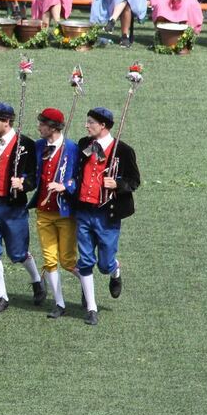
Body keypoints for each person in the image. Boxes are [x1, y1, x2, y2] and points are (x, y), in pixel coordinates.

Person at [73, 106, 139, 325]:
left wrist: (118, 184)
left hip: (106, 215)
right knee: (85, 260)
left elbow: (134, 181)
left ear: (103, 125)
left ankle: (114, 270)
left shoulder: (124, 150)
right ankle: (91, 308)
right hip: (84, 211)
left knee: (104, 264)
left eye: (91, 122)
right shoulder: (84, 144)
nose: (86, 125)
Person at [0, 102, 43, 314]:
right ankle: (2, 296)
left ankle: (36, 280)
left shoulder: (26, 144)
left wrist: (23, 184)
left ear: (6, 122)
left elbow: (34, 177)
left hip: (13, 208)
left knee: (18, 253)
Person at [29, 107, 79, 318]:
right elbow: (32, 173)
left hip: (64, 214)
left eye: (42, 124)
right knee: (49, 260)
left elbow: (80, 178)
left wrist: (65, 186)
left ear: (53, 127)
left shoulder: (72, 148)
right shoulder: (38, 146)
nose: (39, 127)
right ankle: (59, 304)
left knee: (67, 261)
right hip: (43, 212)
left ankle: (86, 286)